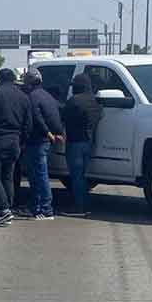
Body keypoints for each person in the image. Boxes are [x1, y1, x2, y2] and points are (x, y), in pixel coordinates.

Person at [0, 69, 32, 227]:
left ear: (0, 79)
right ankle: (8, 207)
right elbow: (28, 124)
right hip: (15, 141)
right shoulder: (24, 97)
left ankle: (4, 210)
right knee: (8, 177)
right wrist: (22, 141)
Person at [20, 69, 65, 219]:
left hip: (38, 140)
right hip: (46, 141)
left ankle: (46, 209)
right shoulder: (47, 96)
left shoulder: (32, 97)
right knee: (38, 175)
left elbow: (37, 118)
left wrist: (48, 133)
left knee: (39, 176)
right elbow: (55, 115)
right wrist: (56, 132)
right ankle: (36, 207)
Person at [61, 73, 103, 217]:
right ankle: (85, 205)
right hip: (89, 142)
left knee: (76, 176)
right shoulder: (95, 101)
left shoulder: (74, 101)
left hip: (75, 143)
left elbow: (63, 117)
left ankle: (79, 207)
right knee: (82, 176)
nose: (72, 89)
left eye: (74, 86)